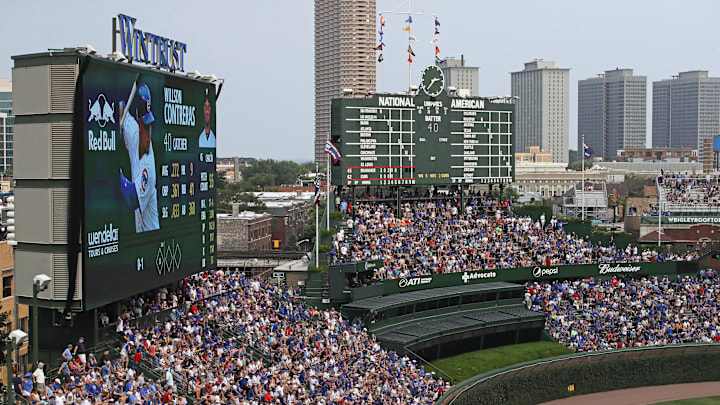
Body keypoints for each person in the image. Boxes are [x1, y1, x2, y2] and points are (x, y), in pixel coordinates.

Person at [118, 83, 160, 233]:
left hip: (151, 236)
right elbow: (121, 108)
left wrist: (117, 176)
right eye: (144, 123)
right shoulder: (135, 133)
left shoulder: (148, 165)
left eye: (149, 124)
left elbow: (131, 198)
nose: (147, 129)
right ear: (137, 122)